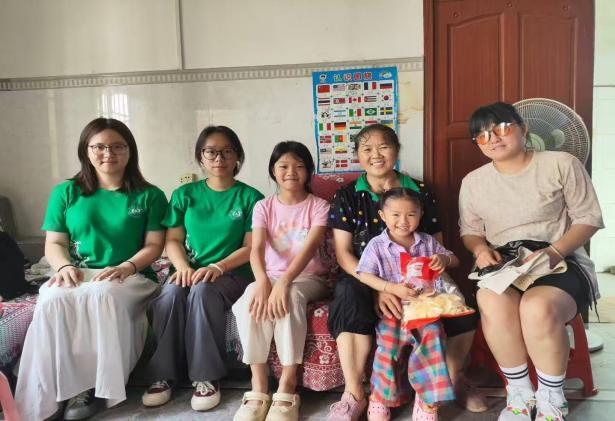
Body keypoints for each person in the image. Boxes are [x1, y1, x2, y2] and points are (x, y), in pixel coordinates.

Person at [326, 124, 485, 421]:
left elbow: (435, 246)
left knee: (461, 307)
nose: (376, 154)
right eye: (367, 149)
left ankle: (449, 383)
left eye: (383, 147)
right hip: (365, 275)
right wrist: (381, 288)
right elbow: (344, 254)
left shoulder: (421, 191)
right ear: (358, 155)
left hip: (418, 274)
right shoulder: (346, 195)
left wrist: (436, 272)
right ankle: (354, 393)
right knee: (347, 294)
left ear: (397, 150)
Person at [459, 101, 604, 421]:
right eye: (482, 135)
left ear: (523, 128)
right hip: (507, 264)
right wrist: (480, 250)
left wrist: (555, 252)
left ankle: (552, 399)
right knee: (490, 299)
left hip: (560, 258)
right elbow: (470, 231)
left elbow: (588, 218)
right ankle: (520, 395)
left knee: (537, 307)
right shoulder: (473, 182)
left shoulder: (560, 163)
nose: (493, 138)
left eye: (501, 128)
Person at [16, 118, 168, 421]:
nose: (108, 153)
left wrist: (126, 266)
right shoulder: (66, 192)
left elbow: (154, 245)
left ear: (130, 151)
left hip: (132, 275)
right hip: (77, 272)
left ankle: (92, 388)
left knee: (102, 294)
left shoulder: (149, 195)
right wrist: (63, 267)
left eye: (117, 146)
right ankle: (49, 392)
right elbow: (54, 243)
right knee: (51, 299)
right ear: (85, 151)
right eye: (99, 146)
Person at [141, 126, 264, 411]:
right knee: (170, 294)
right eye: (211, 151)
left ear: (237, 156)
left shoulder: (250, 197)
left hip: (233, 274)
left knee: (203, 292)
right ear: (201, 156)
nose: (219, 158)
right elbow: (172, 240)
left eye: (227, 151)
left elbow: (251, 247)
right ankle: (163, 375)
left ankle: (206, 377)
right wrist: (182, 267)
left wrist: (219, 266)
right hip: (191, 270)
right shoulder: (184, 195)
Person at [232, 141, 330, 421]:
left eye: (299, 166)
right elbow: (256, 249)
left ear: (309, 171)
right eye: (283, 166)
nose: (291, 172)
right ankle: (259, 385)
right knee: (251, 298)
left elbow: (310, 248)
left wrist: (284, 282)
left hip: (309, 277)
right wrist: (262, 280)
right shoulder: (263, 206)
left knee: (289, 297)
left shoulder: (319, 206)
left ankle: (288, 383)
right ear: (273, 171)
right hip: (271, 275)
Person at [356, 187, 460, 421]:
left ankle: (427, 401)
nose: (403, 221)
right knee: (389, 346)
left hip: (425, 309)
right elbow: (363, 274)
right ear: (383, 216)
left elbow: (455, 260)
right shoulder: (376, 245)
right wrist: (389, 288)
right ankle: (381, 398)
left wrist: (444, 259)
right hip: (393, 308)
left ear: (420, 215)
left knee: (433, 339)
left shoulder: (427, 242)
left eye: (411, 214)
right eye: (395, 215)